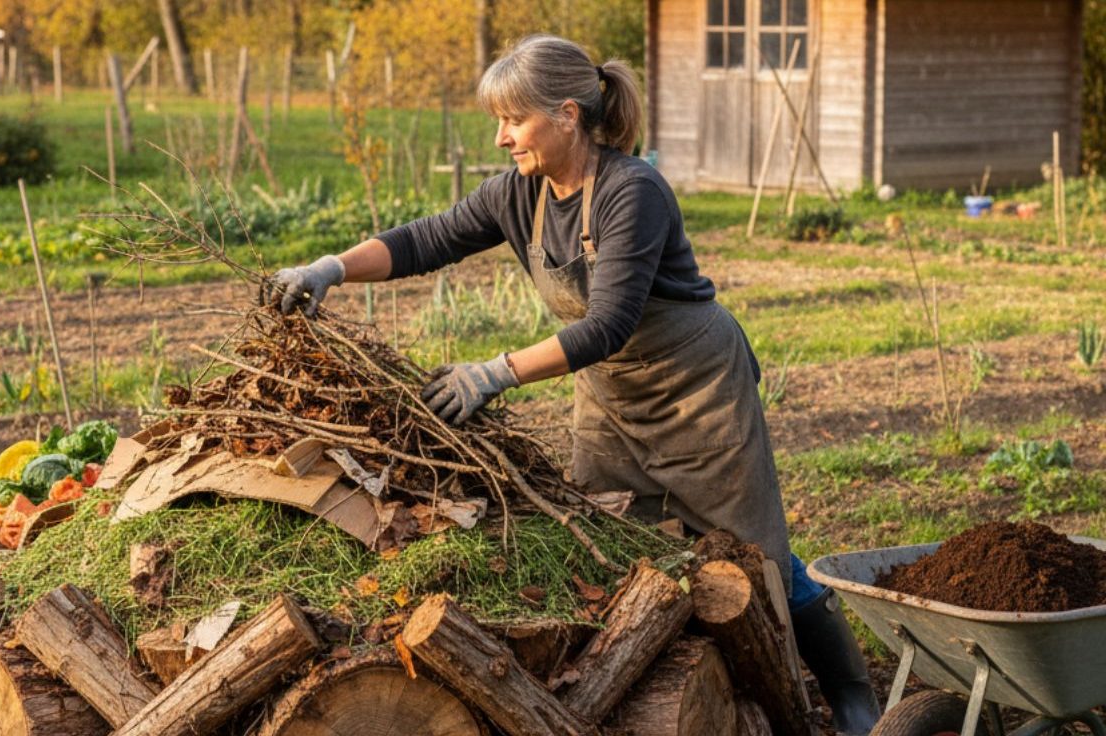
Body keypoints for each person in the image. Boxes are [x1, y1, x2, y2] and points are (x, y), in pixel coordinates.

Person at [266, 34, 880, 735]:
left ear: (565, 115)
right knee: (611, 541)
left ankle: (853, 692)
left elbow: (608, 324)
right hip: (612, 398)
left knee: (754, 550)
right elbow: (423, 240)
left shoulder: (632, 190)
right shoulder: (517, 193)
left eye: (513, 120)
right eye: (498, 122)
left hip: (697, 390)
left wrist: (494, 373)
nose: (501, 138)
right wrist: (329, 268)